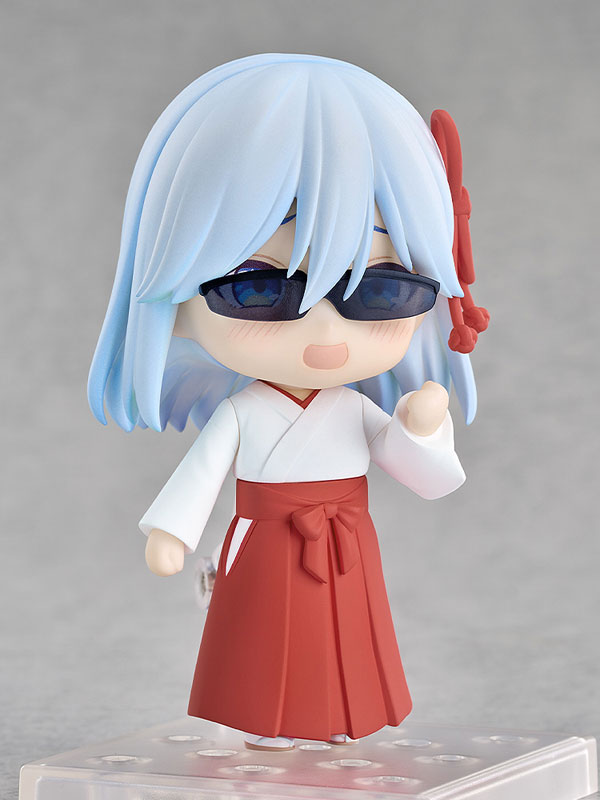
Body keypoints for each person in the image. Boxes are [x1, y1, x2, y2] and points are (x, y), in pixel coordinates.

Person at [88, 53, 488, 751]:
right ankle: (268, 725)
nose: (325, 331)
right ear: (175, 302)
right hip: (268, 541)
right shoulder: (244, 413)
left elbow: (426, 478)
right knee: (263, 636)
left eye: (381, 287)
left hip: (345, 544)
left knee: (345, 632)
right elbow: (201, 477)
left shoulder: (354, 412)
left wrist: (421, 428)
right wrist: (172, 532)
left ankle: (339, 717)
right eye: (258, 288)